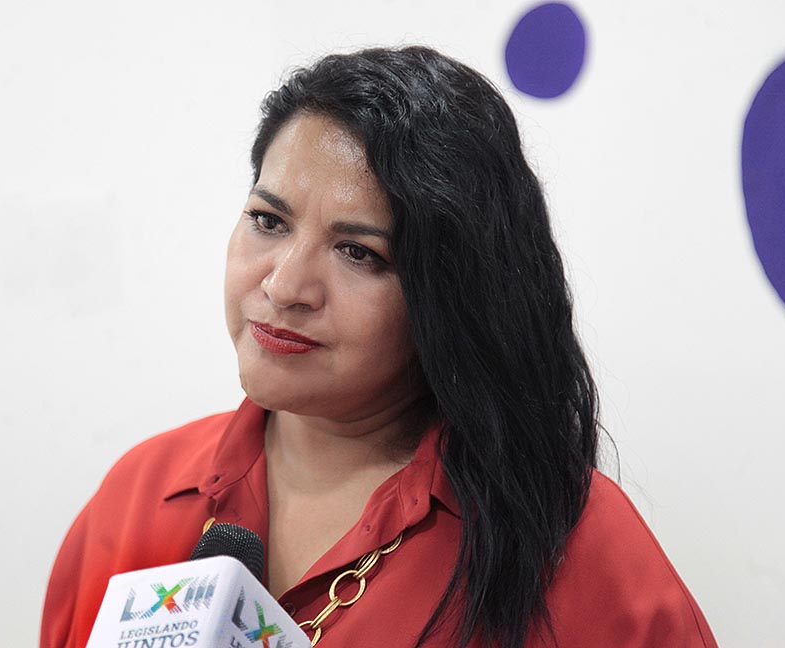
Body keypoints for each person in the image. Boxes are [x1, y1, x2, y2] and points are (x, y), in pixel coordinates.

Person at [41, 46, 718, 648]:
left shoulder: (574, 546)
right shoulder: (140, 493)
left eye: (359, 252)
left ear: (455, 293)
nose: (285, 286)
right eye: (268, 221)